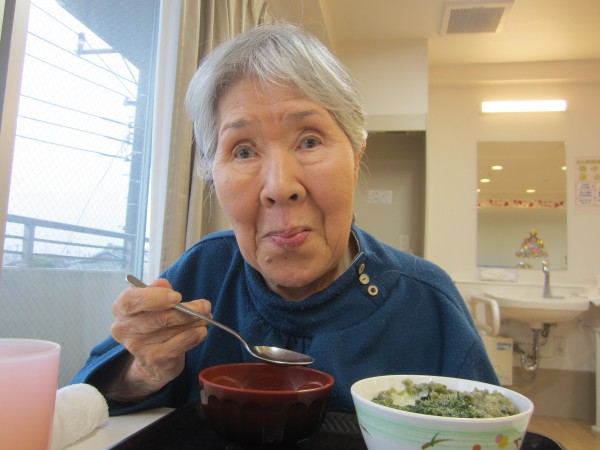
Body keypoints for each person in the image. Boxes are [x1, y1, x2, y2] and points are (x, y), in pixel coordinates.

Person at [71, 22, 498, 415]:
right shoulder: (202, 274)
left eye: (309, 141)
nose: (279, 186)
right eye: (243, 150)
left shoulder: (427, 306)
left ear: (356, 157)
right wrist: (144, 372)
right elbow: (81, 403)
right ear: (212, 176)